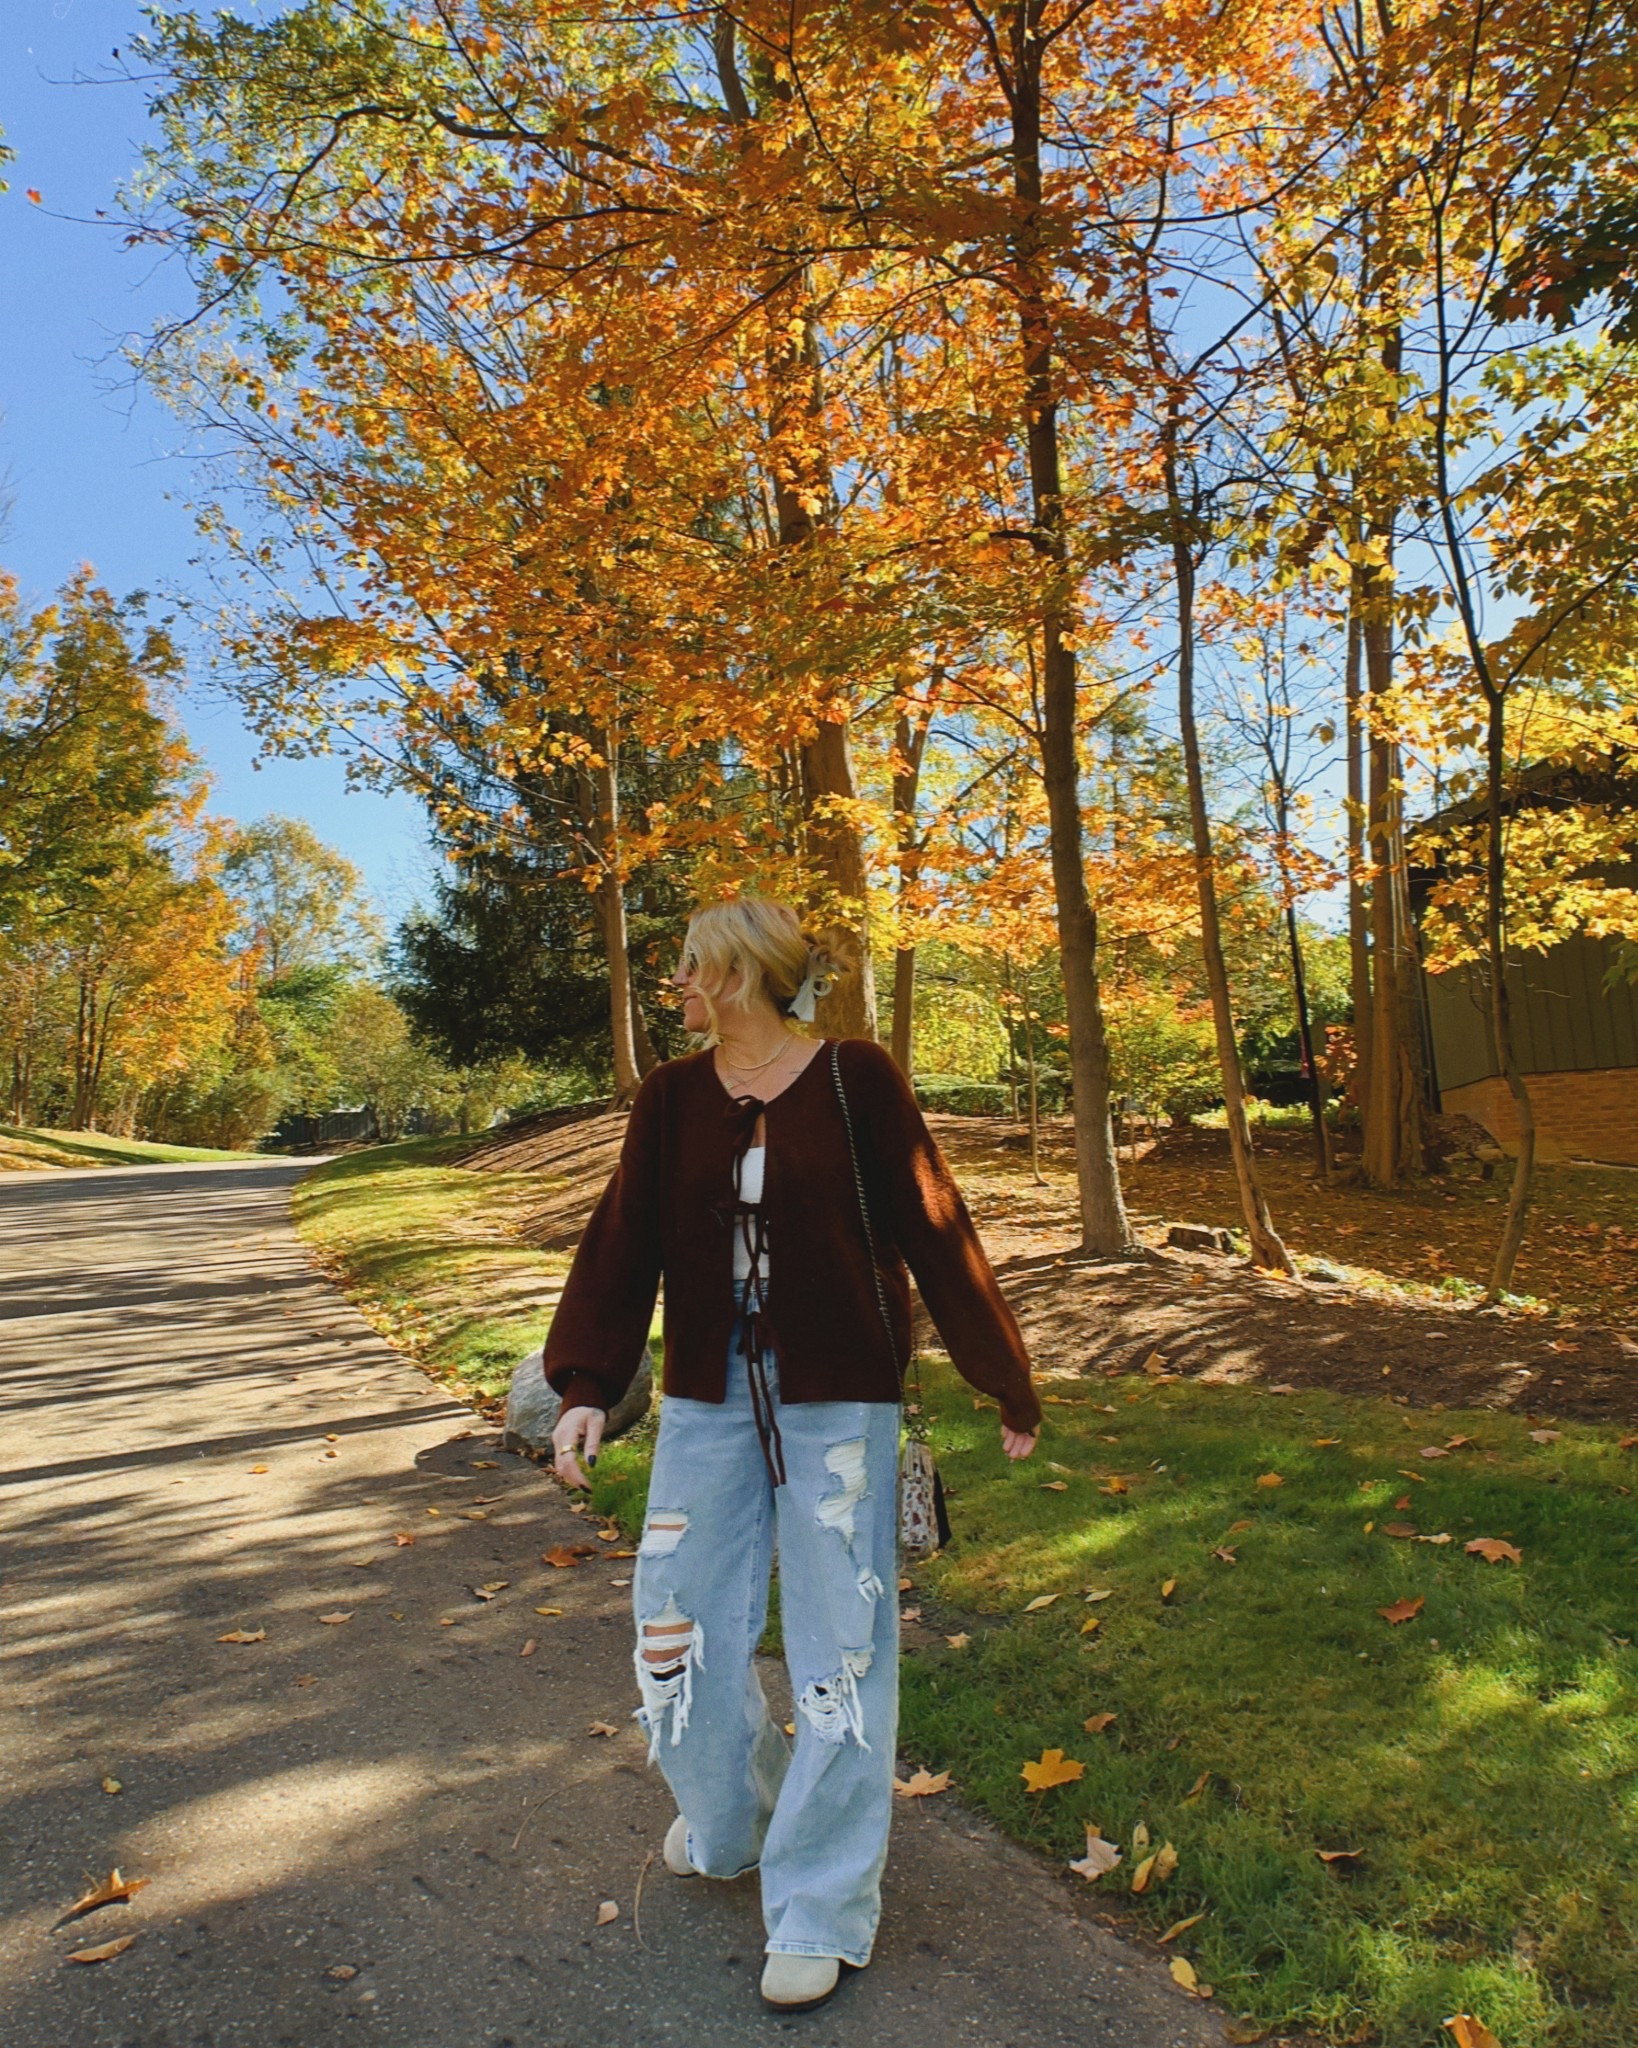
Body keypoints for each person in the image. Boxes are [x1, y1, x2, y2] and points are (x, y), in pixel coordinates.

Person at [544, 895, 1040, 2012]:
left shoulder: (857, 1076)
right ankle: (736, 1815)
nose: (681, 985)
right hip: (708, 1400)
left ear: (752, 973)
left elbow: (931, 1220)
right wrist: (584, 1383)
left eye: (696, 968)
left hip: (838, 1405)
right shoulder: (671, 1097)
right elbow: (622, 1240)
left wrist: (1000, 1368)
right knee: (675, 1630)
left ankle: (818, 1900)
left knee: (839, 1650)